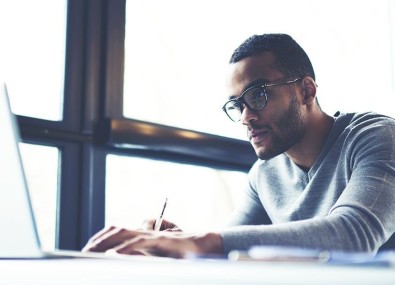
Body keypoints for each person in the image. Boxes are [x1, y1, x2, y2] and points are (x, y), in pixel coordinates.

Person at [82, 33, 395, 258]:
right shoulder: (264, 174)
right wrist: (177, 243)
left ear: (306, 90)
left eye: (257, 95)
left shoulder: (376, 137)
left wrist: (201, 242)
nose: (246, 117)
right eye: (237, 104)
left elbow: (354, 235)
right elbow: (228, 249)